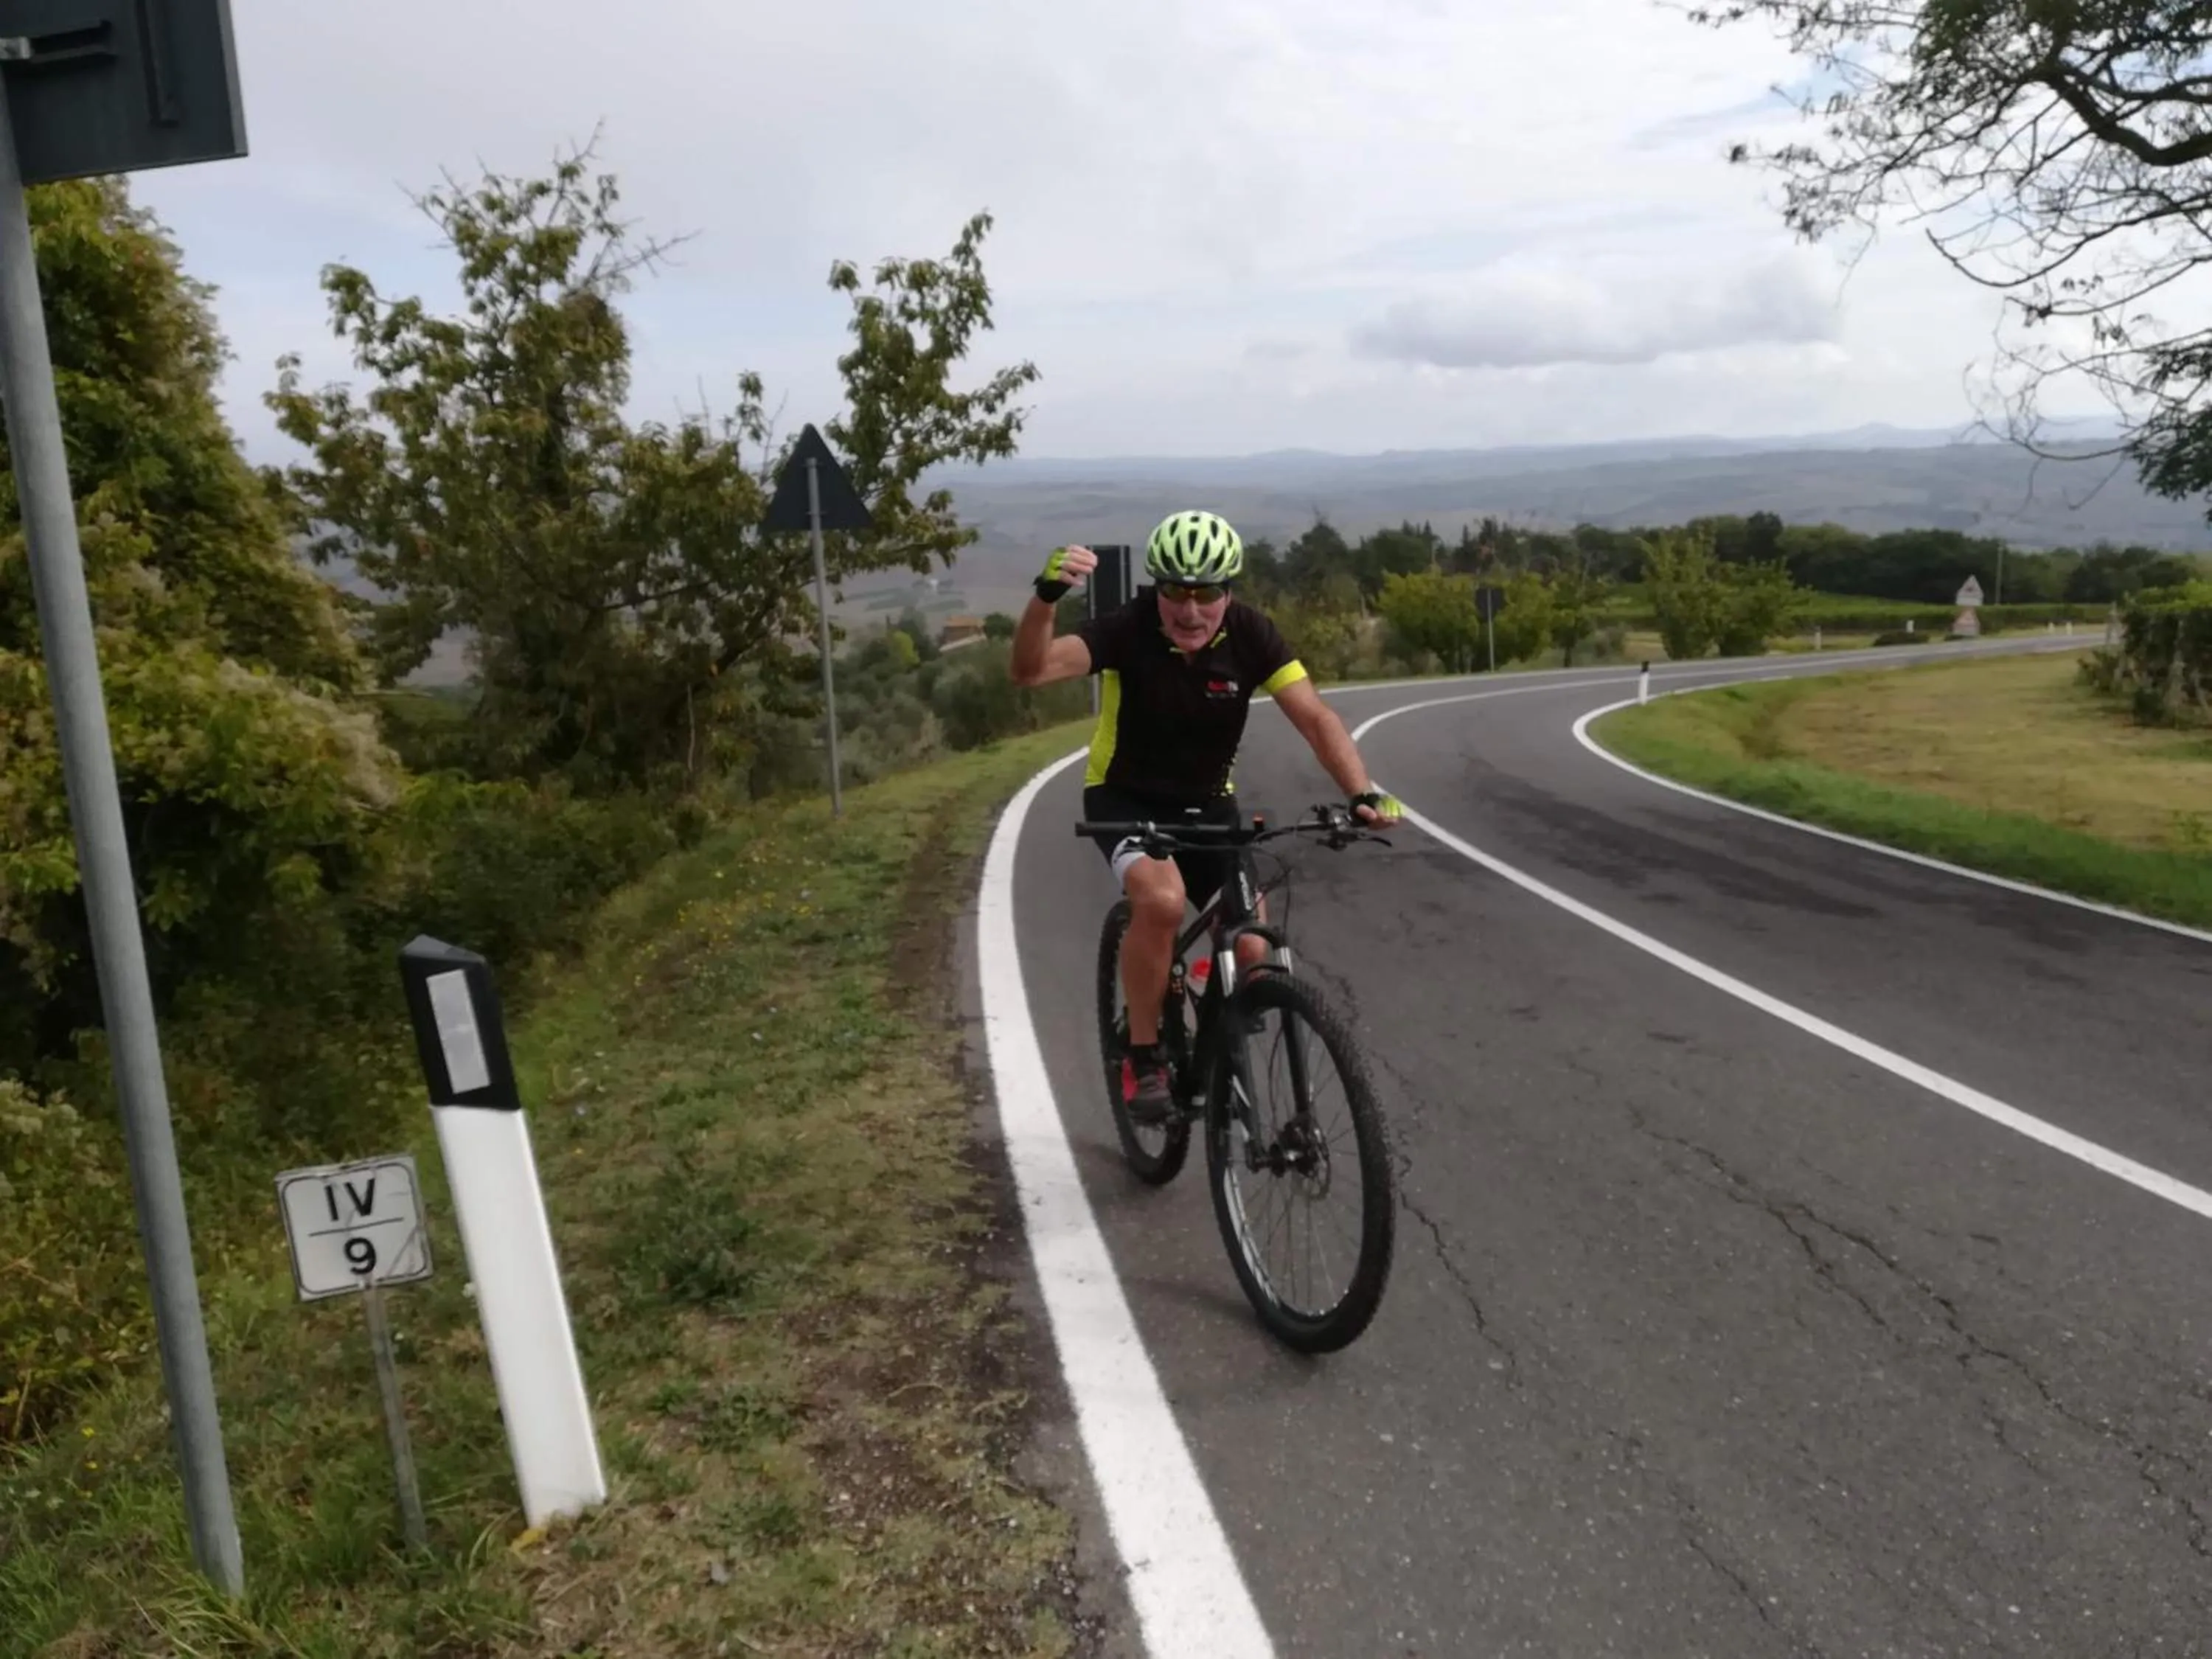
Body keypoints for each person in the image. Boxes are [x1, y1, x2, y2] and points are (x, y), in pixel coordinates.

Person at [1009, 509, 1403, 1124]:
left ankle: (1214, 1049)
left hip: (1208, 806)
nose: (1190, 611)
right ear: (1157, 589)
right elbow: (1029, 670)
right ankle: (1144, 1056)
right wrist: (1045, 598)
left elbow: (1317, 719)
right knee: (1162, 903)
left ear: (1229, 592)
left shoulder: (1251, 634)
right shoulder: (1128, 628)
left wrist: (1362, 791)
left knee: (1252, 946)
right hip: (1124, 798)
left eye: (1207, 594)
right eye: (1176, 592)